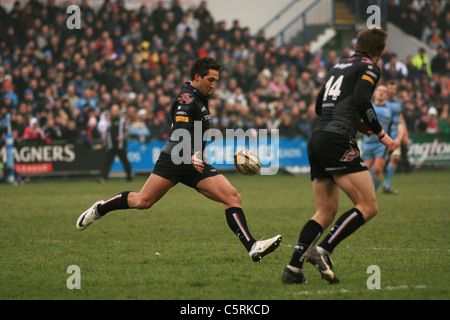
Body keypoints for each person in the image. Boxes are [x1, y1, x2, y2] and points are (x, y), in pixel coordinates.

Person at [77, 57, 282, 262]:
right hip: (175, 158)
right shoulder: (186, 99)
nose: (214, 84)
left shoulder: (200, 97)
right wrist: (192, 152)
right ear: (197, 77)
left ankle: (252, 246)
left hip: (195, 163)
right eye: (210, 79)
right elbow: (181, 129)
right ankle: (99, 209)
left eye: (216, 80)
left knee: (232, 197)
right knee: (142, 201)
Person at [281, 28, 396, 284]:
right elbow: (361, 100)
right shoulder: (369, 66)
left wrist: (354, 123)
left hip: (318, 138)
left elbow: (320, 105)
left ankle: (293, 270)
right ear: (381, 51)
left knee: (325, 211)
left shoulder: (338, 65)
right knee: (368, 206)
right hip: (337, 141)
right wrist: (381, 134)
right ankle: (325, 248)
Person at [361, 85, 396, 192]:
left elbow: (399, 124)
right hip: (367, 143)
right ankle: (367, 194)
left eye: (384, 91)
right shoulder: (367, 106)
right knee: (364, 172)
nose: (381, 92)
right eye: (379, 90)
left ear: (386, 95)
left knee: (377, 169)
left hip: (381, 143)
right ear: (375, 93)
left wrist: (397, 138)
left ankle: (373, 194)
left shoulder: (391, 108)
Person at [382, 80, 407, 194]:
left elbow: (401, 120)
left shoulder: (398, 104)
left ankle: (386, 185)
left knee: (395, 158)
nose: (392, 91)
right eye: (390, 88)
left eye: (394, 89)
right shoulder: (381, 102)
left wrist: (405, 134)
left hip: (395, 135)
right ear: (386, 89)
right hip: (382, 135)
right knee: (377, 163)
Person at [99, 104, 133, 183]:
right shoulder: (108, 121)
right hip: (111, 146)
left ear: (118, 111)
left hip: (120, 146)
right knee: (107, 162)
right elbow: (105, 132)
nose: (114, 112)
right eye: (113, 110)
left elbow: (128, 131)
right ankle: (103, 177)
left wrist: (123, 137)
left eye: (116, 110)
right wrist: (105, 140)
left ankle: (129, 176)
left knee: (125, 161)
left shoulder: (123, 121)